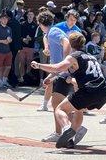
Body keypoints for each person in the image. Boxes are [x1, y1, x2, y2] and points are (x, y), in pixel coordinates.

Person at [31, 32, 106, 149]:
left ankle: (67, 129)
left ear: (70, 44)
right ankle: (71, 139)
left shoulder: (74, 56)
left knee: (59, 109)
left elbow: (58, 68)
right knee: (78, 109)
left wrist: (39, 65)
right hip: (103, 92)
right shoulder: (91, 57)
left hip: (89, 91)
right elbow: (67, 72)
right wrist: (51, 78)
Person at [36, 10, 86, 144]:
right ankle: (62, 131)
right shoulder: (51, 32)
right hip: (61, 72)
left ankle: (72, 129)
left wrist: (65, 61)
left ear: (40, 24)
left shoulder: (53, 32)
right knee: (58, 104)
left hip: (64, 73)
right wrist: (52, 76)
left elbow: (67, 43)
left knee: (58, 105)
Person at [18, 10, 37, 83]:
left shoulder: (35, 25)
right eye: (29, 14)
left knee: (29, 62)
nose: (30, 16)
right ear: (27, 16)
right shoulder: (22, 24)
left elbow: (35, 37)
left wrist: (30, 39)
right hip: (22, 46)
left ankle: (27, 76)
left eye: (31, 15)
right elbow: (19, 35)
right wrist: (23, 39)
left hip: (31, 46)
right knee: (22, 62)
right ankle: (22, 77)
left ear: (33, 16)